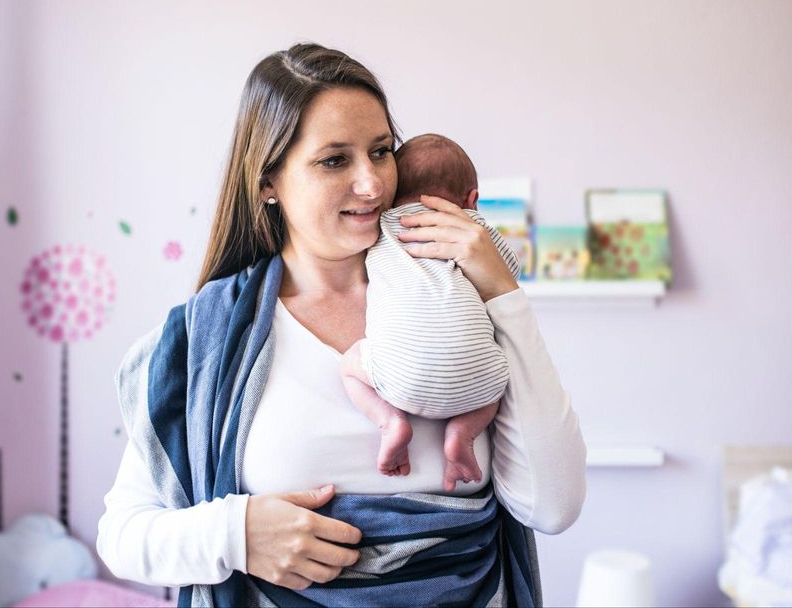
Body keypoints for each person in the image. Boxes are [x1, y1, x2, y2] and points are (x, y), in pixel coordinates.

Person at [96, 43, 586, 607]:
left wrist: (505, 295)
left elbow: (555, 505)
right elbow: (124, 535)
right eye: (335, 160)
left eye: (381, 151)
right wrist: (238, 533)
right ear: (267, 183)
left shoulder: (456, 300)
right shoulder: (208, 338)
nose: (373, 184)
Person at [339, 133, 523, 492]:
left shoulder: (381, 226)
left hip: (400, 381)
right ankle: (463, 431)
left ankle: (390, 422)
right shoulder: (475, 229)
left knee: (350, 366)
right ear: (472, 200)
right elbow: (508, 272)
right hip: (479, 382)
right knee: (496, 384)